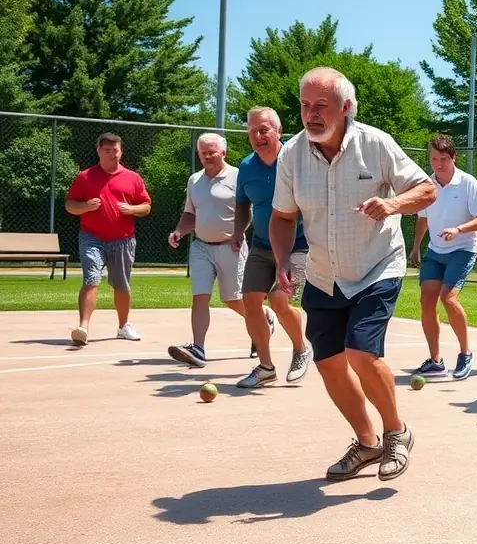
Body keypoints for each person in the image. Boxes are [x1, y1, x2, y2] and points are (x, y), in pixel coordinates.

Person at [270, 66, 436, 482]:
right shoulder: (292, 154)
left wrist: (394, 205)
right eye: (305, 105)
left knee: (362, 352)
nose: (310, 115)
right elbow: (282, 216)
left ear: (345, 107)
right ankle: (366, 442)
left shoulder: (375, 144)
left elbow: (427, 189)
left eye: (321, 106)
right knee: (328, 363)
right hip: (324, 272)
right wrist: (281, 260)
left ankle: (396, 432)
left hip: (376, 266)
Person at [231, 107, 314, 389]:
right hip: (262, 245)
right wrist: (237, 231)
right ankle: (266, 367)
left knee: (279, 301)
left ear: (278, 131)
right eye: (252, 131)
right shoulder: (246, 167)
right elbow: (243, 204)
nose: (257, 136)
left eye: (264, 130)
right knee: (250, 301)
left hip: (299, 245)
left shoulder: (297, 157)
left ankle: (301, 349)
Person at [167, 132, 263, 368]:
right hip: (201, 246)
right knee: (200, 296)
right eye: (203, 152)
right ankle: (198, 348)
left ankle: (264, 321)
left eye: (212, 152)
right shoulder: (194, 180)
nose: (207, 156)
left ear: (223, 152)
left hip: (231, 246)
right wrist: (180, 231)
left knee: (233, 299)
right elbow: (190, 213)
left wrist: (239, 233)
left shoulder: (238, 176)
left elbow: (247, 211)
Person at [410, 134, 477, 380]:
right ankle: (435, 361)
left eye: (443, 159)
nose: (438, 164)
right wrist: (416, 247)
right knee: (426, 300)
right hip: (435, 251)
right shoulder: (426, 184)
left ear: (453, 157)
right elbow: (422, 218)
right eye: (434, 159)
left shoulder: (468, 183)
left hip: (463, 249)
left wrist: (459, 230)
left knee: (449, 298)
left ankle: (466, 353)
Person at [64, 132, 151, 346]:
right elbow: (70, 205)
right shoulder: (85, 176)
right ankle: (83, 327)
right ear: (98, 151)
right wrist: (85, 206)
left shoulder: (132, 177)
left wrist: (131, 209)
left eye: (116, 150)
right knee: (91, 277)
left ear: (121, 151)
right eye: (107, 150)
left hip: (123, 239)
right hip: (91, 237)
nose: (112, 154)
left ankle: (124, 326)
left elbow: (146, 206)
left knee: (121, 284)